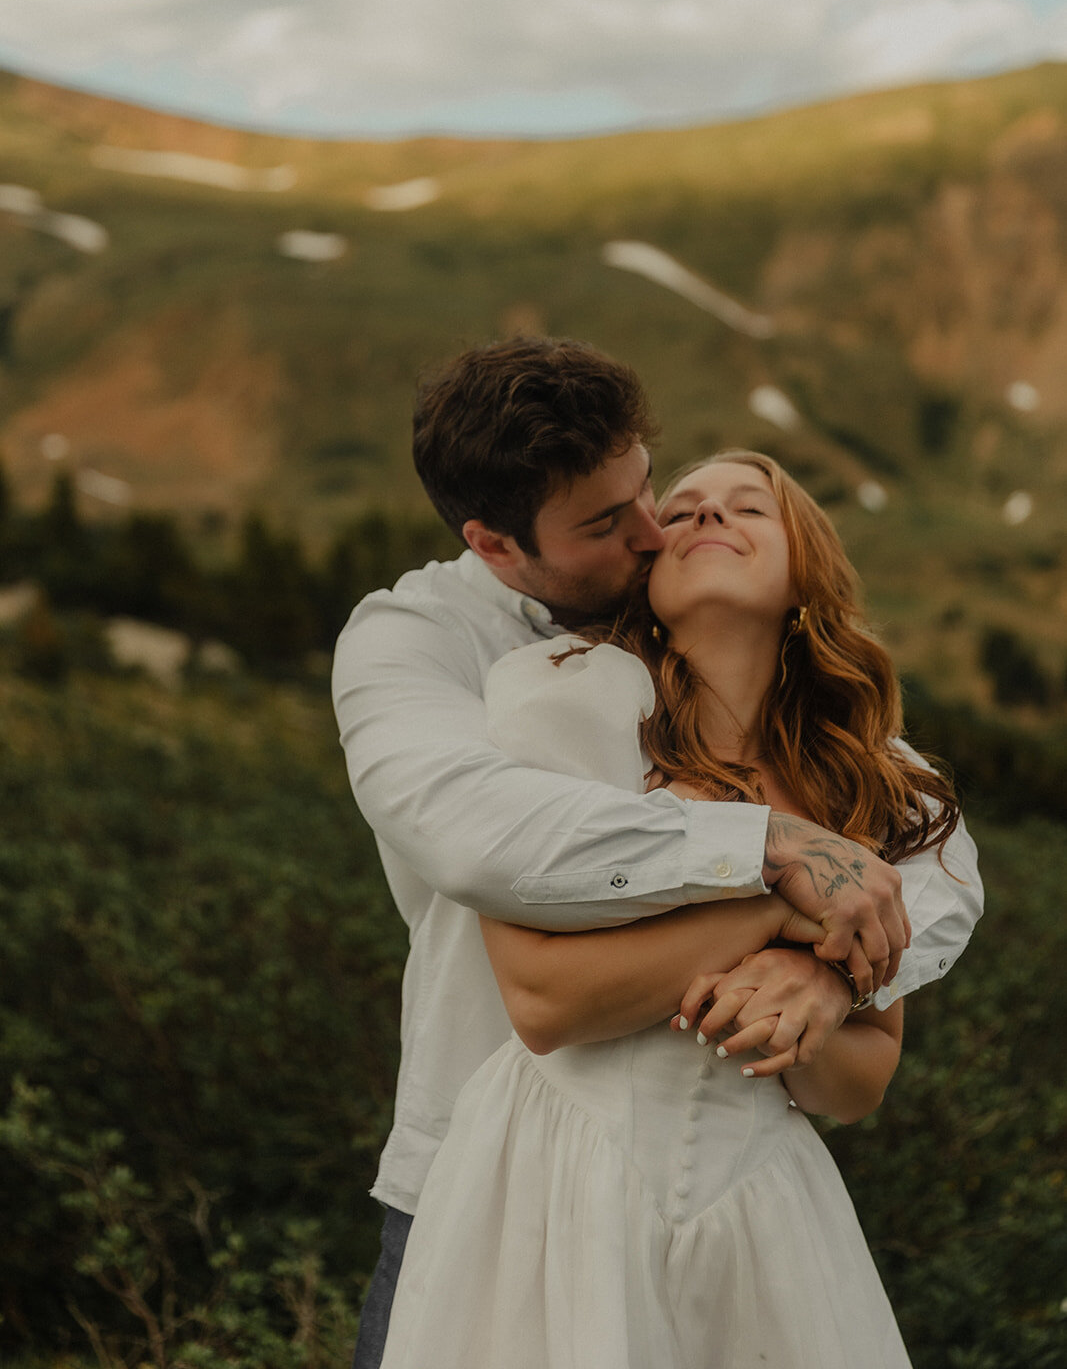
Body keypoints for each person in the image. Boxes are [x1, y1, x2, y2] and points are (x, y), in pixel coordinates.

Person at [331, 339, 982, 1368]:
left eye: (655, 493)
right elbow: (491, 863)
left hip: (753, 1215)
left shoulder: (852, 775)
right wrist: (770, 883)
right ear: (496, 544)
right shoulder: (464, 658)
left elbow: (920, 894)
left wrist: (819, 983)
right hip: (502, 1182)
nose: (659, 528)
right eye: (633, 518)